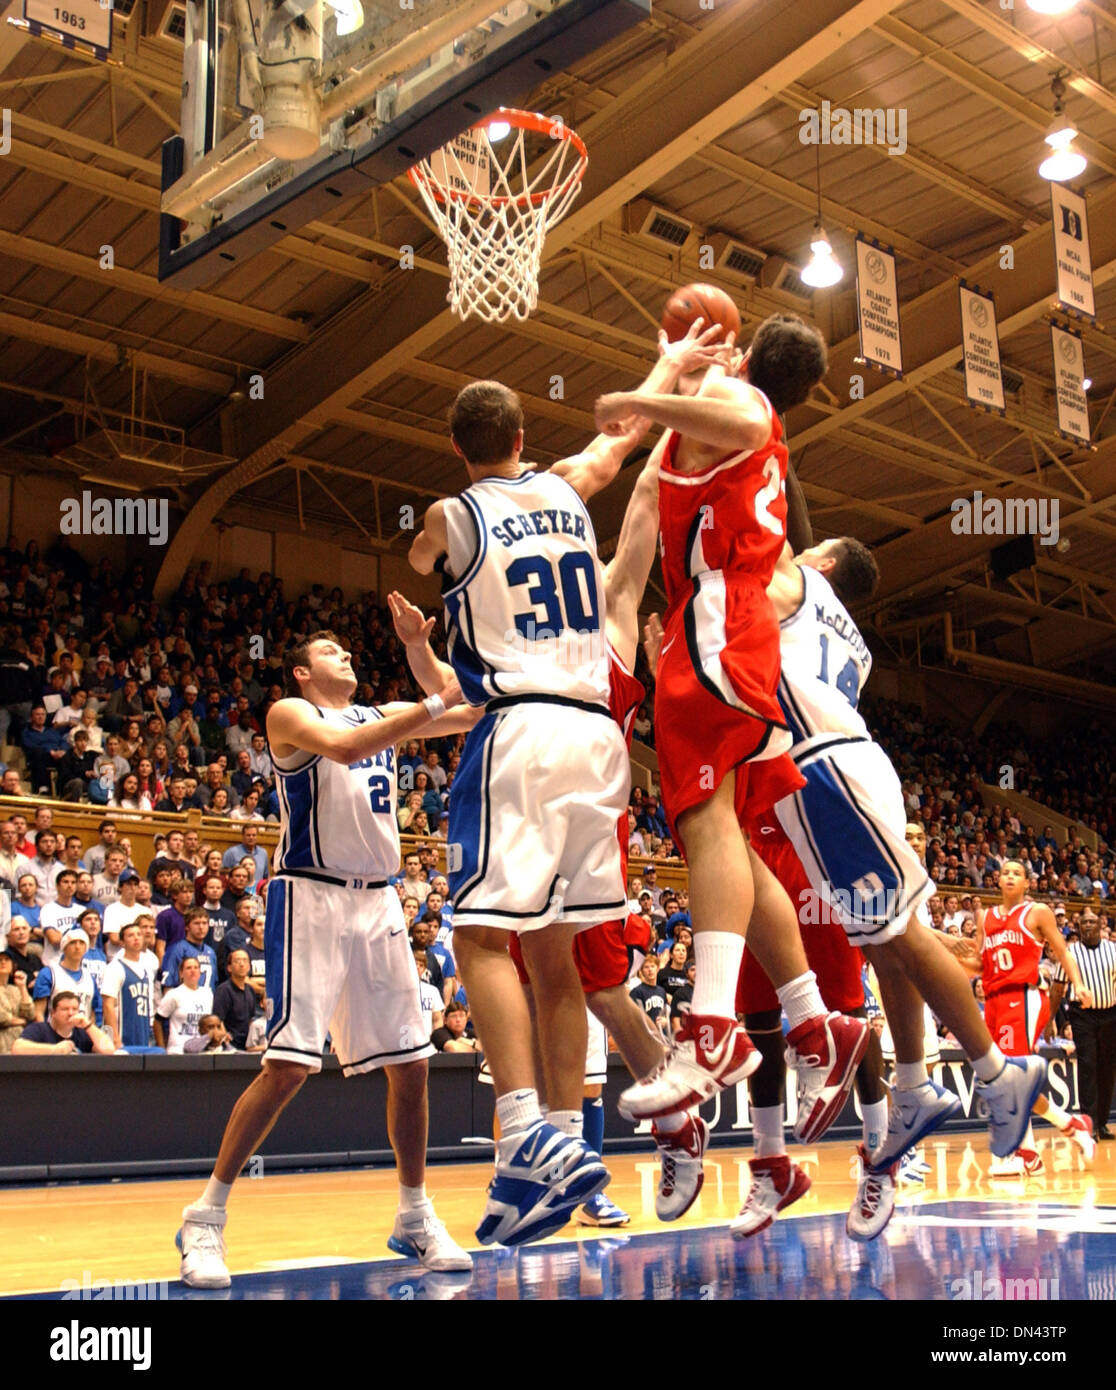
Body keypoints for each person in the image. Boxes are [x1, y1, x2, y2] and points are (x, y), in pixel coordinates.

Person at [408, 377, 668, 1247]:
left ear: (456, 448)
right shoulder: (567, 484)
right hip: (600, 741)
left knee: (480, 939)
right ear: (523, 431)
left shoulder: (452, 513)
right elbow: (616, 445)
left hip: (519, 724)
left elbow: (418, 555)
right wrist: (671, 370)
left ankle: (521, 1127)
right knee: (558, 961)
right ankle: (555, 1143)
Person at [596, 316, 870, 1138]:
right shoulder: (720, 431)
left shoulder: (748, 411)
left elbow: (737, 418)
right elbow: (658, 477)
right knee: (736, 844)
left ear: (750, 363)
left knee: (706, 822)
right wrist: (671, 371)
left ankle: (712, 1031)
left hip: (721, 621)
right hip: (719, 628)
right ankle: (815, 1020)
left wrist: (637, 394)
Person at [174, 628, 475, 1289]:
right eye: (330, 652)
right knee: (287, 1068)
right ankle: (206, 1216)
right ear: (303, 674)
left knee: (413, 1068)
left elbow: (470, 706)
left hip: (381, 902)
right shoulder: (291, 714)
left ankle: (415, 1214)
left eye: (348, 649)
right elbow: (346, 747)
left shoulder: (380, 716)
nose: (346, 656)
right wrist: (427, 706)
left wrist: (420, 649)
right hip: (310, 896)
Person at [944, 862, 1096, 1173]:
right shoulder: (985, 917)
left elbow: (1062, 951)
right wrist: (950, 960)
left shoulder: (1037, 912)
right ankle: (1071, 1125)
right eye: (1005, 873)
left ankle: (1022, 1154)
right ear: (997, 881)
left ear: (1027, 883)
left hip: (1024, 996)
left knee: (1012, 1073)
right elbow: (982, 966)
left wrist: (1078, 983)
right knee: (1003, 1077)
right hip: (994, 1000)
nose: (1010, 876)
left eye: (1017, 873)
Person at [1050, 910, 1116, 1140]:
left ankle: (1103, 1122)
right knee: (1088, 1066)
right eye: (1084, 922)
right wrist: (1049, 1020)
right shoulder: (1070, 953)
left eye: (1092, 921)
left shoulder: (1113, 950)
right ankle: (1090, 1124)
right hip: (1083, 1016)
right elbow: (1058, 988)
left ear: (1100, 925)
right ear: (1078, 927)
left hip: (1111, 1014)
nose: (1088, 925)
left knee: (1107, 1068)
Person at [101, 922, 158, 1051]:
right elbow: (107, 1005)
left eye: (139, 934)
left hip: (142, 1033)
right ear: (122, 942)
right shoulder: (115, 968)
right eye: (130, 935)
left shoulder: (146, 970)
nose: (136, 938)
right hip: (122, 1036)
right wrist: (114, 1038)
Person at [32, 926, 102, 1025]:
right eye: (72, 943)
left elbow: (94, 1012)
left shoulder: (90, 978)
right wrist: (45, 1036)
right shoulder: (49, 973)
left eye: (81, 943)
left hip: (81, 1035)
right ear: (64, 947)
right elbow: (38, 1011)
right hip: (54, 1035)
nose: (77, 947)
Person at [13, 990, 115, 1055]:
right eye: (65, 1009)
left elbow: (108, 1050)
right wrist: (55, 1050)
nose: (71, 1013)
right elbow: (18, 1048)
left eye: (74, 1009)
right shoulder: (39, 1029)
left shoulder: (82, 1033)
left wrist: (88, 1025)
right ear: (53, 1012)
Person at [155, 955, 213, 1054]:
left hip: (201, 1051)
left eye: (196, 967)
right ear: (181, 974)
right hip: (178, 1051)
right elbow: (157, 1021)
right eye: (188, 968)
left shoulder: (208, 994)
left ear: (200, 973)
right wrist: (161, 1049)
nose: (193, 971)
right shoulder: (174, 994)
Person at [211, 948, 263, 1050]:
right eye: (237, 961)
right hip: (229, 1046)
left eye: (245, 960)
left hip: (247, 1045)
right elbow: (218, 1019)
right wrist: (225, 1041)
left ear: (249, 966)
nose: (242, 964)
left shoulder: (250, 991)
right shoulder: (224, 990)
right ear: (229, 967)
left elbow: (251, 1020)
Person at [162, 907, 218, 991]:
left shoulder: (211, 952)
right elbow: (168, 984)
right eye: (196, 923)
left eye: (204, 923)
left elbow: (214, 983)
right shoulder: (177, 950)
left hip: (206, 1002)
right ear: (187, 927)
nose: (201, 927)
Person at [0, 951, 34, 1053]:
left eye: (7, 960)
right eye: (0, 960)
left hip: (18, 1040)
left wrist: (22, 987)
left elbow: (29, 1013)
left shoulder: (15, 989)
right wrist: (21, 1021)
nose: (3, 963)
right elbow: (2, 1017)